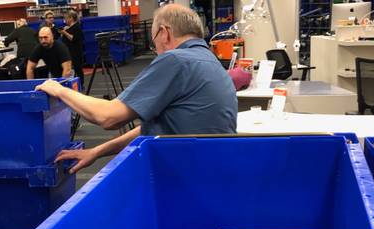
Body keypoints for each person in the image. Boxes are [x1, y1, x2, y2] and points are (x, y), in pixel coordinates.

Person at [35, 4, 237, 174]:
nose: (156, 50)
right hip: (213, 173)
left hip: (185, 178)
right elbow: (157, 127)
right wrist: (96, 151)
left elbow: (108, 117)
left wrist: (60, 89)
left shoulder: (176, 60)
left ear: (164, 33)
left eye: (154, 42)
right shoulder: (210, 61)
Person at [60, 10, 85, 80]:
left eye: (66, 18)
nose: (65, 20)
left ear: (71, 18)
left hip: (75, 52)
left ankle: (80, 84)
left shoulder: (77, 27)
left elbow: (73, 38)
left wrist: (64, 32)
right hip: (69, 52)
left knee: (78, 69)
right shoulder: (69, 28)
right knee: (70, 70)